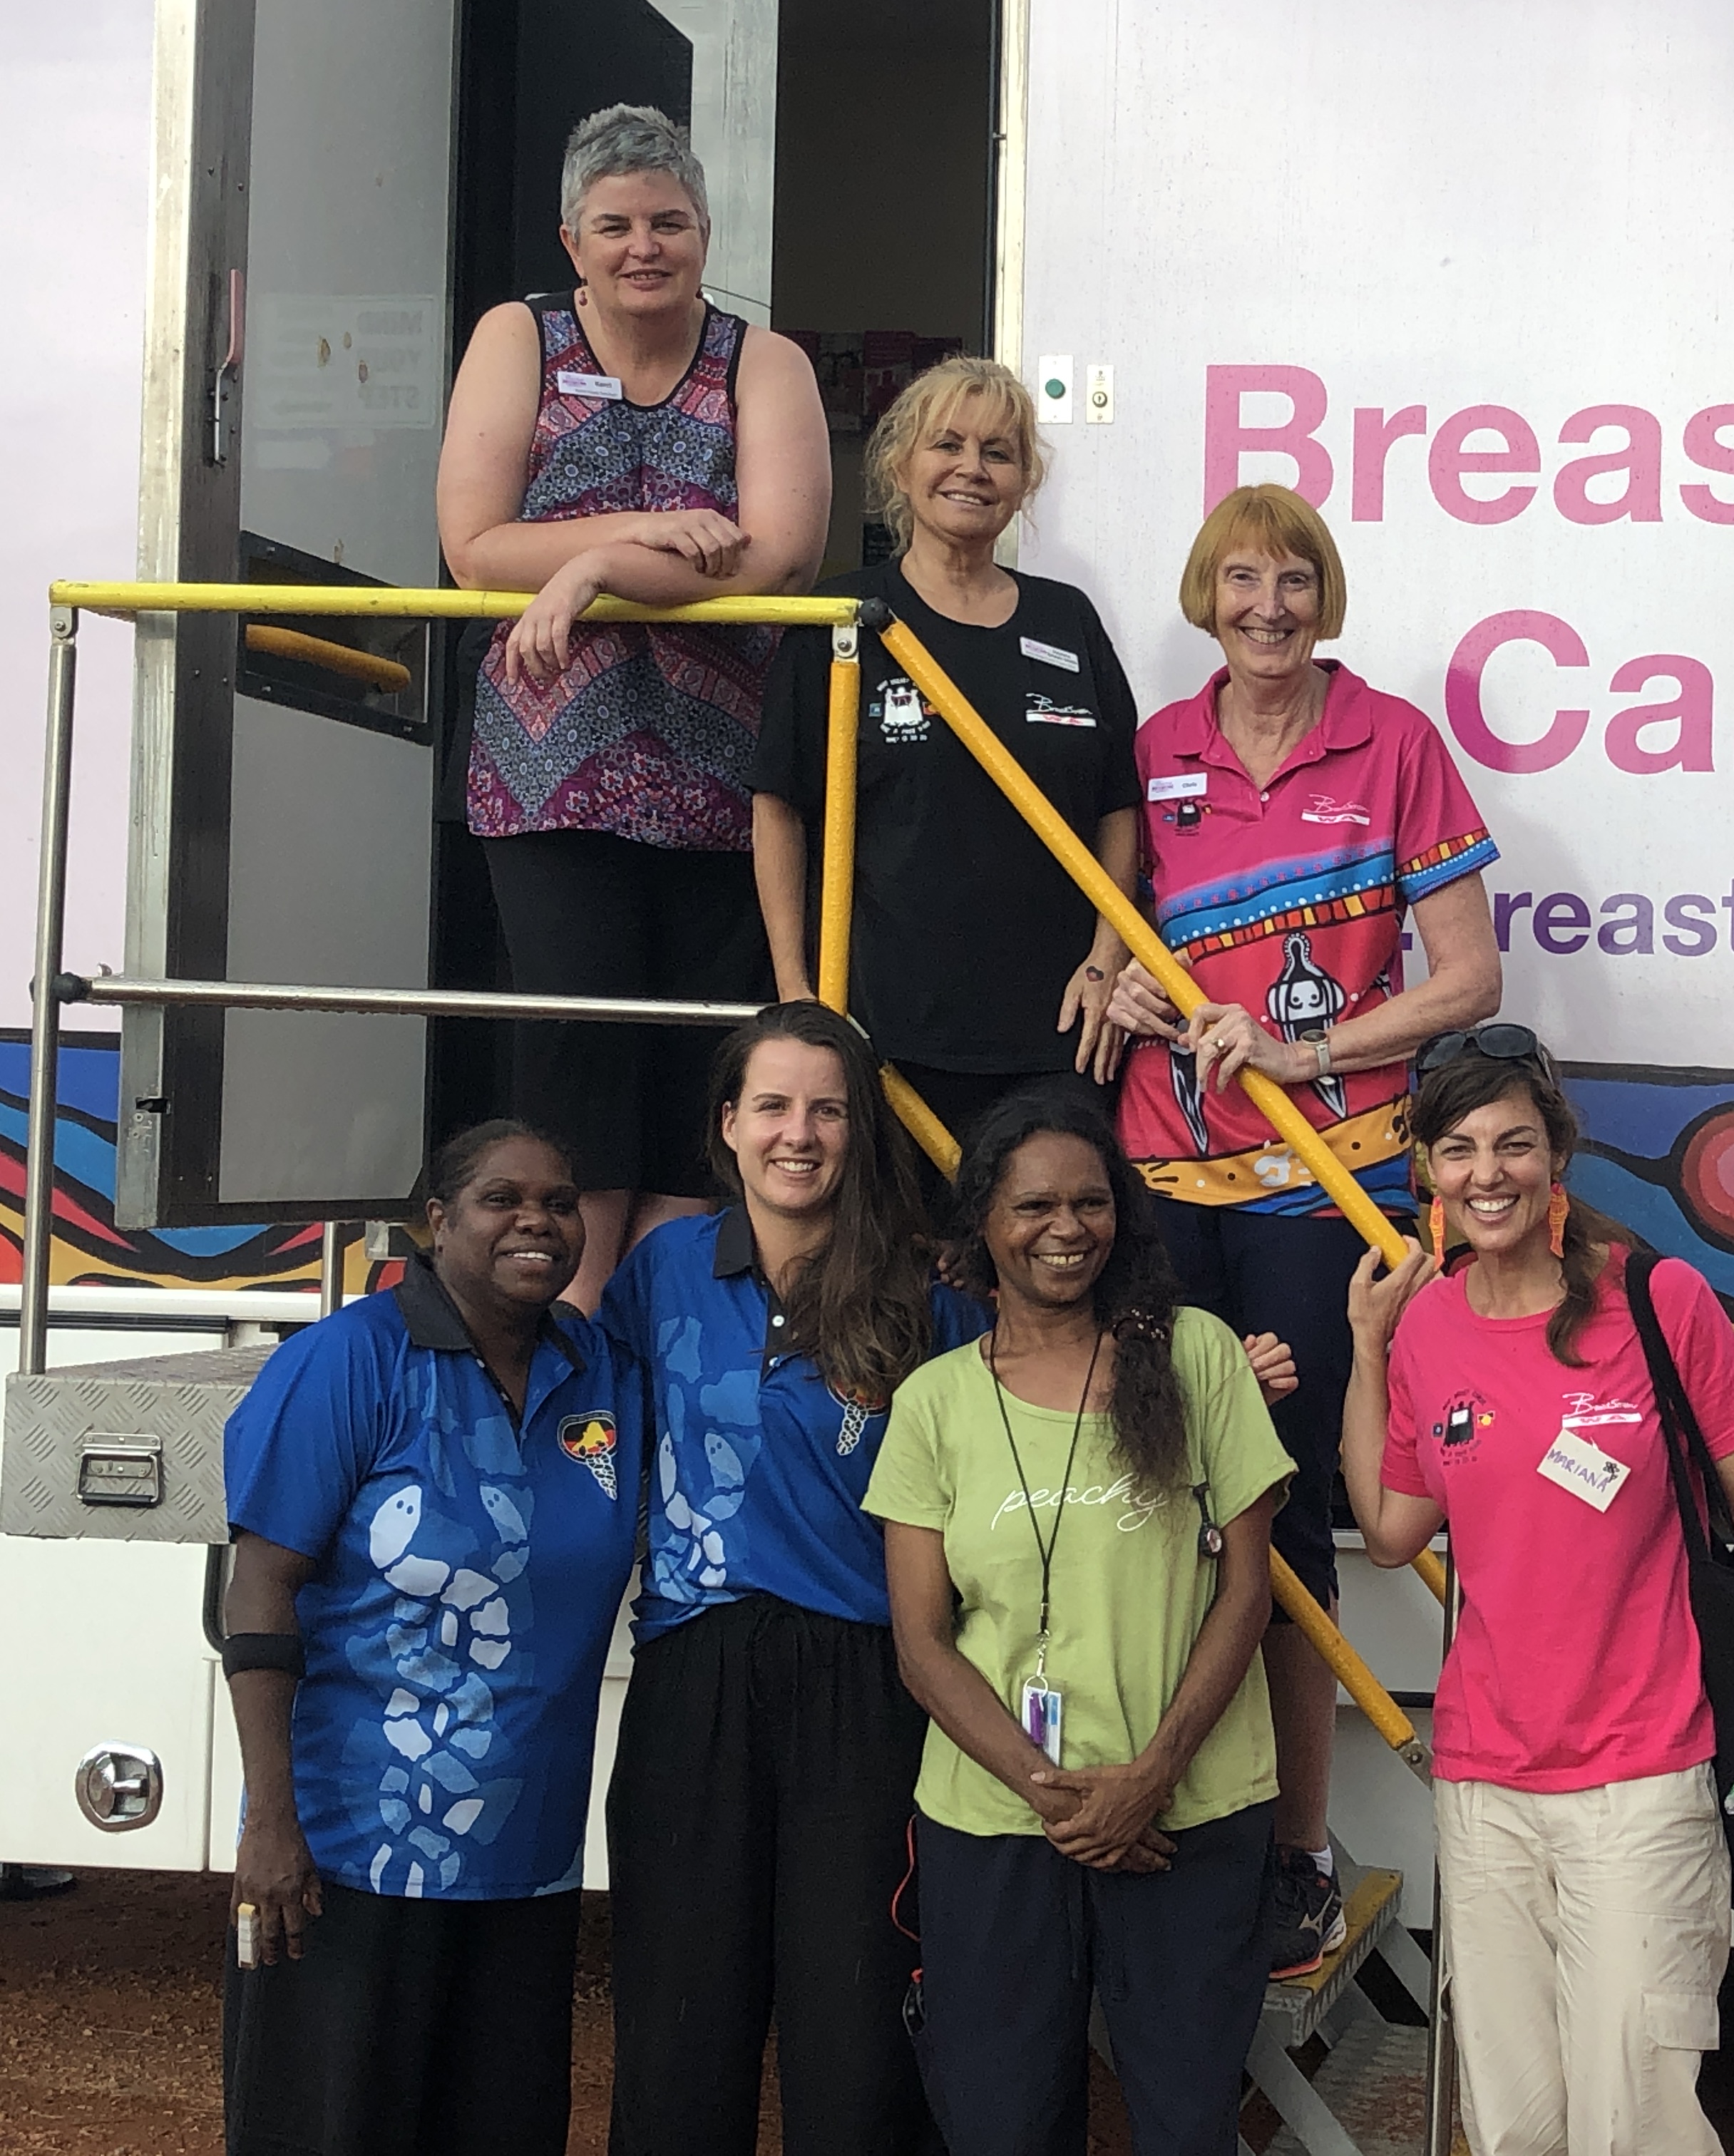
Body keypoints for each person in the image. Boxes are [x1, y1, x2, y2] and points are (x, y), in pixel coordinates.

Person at [1099, 482, 1502, 1971]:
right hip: (1161, 1177)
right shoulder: (1157, 748)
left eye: (1294, 582)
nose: (1267, 607)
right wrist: (1123, 985)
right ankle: (1167, 1814)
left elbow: (1470, 980)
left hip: (1328, 1185)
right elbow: (1112, 939)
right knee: (1154, 1497)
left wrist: (1309, 1052)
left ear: (1324, 599)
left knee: (1284, 1516)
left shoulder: (1392, 738)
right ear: (1205, 595)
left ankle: (1297, 1854)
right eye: (1241, 581)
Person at [1340, 1028, 1734, 2156]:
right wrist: (1368, 1351)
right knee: (1514, 2129)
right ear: (1428, 1172)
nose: (1486, 1174)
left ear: (1557, 1153)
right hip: (1483, 1787)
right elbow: (1388, 1529)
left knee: (1636, 2123)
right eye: (1457, 1150)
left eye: (1513, 1144)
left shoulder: (1657, 1299)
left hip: (1641, 1785)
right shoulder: (1427, 1326)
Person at [436, 103, 831, 1310]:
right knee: (575, 1071)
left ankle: (673, 1346)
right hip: (551, 773)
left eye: (668, 221)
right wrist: (638, 529)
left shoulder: (764, 360)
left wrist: (587, 569)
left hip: (724, 782)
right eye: (615, 225)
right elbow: (471, 547)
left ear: (707, 232)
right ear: (572, 238)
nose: (643, 244)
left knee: (698, 1075)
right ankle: (571, 1338)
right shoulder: (519, 335)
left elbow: (777, 558)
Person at [866, 1092, 1296, 2155]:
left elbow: (1249, 1591)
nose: (1067, 1228)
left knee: (1187, 2122)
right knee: (1002, 2125)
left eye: (1092, 1203)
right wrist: (1048, 1790)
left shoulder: (1195, 1356)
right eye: (1035, 1206)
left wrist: (1151, 1774)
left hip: (1185, 1814)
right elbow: (922, 1640)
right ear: (981, 1227)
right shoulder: (933, 1404)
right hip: (1000, 1824)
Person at [595, 1002, 987, 2156]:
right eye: (772, 1104)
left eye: (826, 1107)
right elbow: (586, 1429)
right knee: (677, 2027)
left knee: (858, 2032)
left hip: (865, 1684)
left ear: (860, 1127)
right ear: (728, 1123)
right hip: (692, 1671)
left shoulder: (927, 1291)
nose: (798, 1132)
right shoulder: (662, 1268)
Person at [218, 1122, 645, 2156]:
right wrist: (270, 1826)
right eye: (504, 1199)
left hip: (525, 1862)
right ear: (434, 1222)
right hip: (349, 1857)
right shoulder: (349, 1361)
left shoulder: (605, 1375)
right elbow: (261, 1591)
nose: (538, 1221)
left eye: (560, 1200)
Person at [753, 356, 1140, 1146]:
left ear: (1025, 479)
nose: (972, 468)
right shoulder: (840, 615)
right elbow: (780, 809)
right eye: (947, 445)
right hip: (887, 1031)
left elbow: (1117, 807)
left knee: (1044, 1255)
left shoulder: (1068, 620)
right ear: (901, 463)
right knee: (896, 1261)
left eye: (998, 452)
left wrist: (1106, 961)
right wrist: (800, 996)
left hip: (1057, 1032)